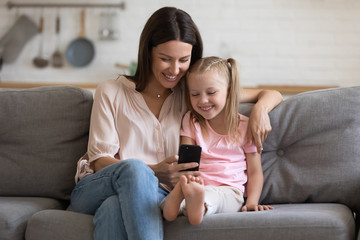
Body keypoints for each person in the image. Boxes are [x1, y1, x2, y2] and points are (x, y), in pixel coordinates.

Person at [70, 7, 283, 240]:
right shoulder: (112, 91)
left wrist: (260, 110)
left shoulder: (194, 95)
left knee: (112, 207)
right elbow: (100, 162)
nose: (174, 70)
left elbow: (269, 93)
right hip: (96, 187)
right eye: (165, 59)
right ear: (148, 52)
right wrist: (155, 171)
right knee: (135, 168)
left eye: (183, 60)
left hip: (153, 195)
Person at [161, 57, 274, 226]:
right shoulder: (191, 120)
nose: (202, 100)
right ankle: (181, 198)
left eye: (211, 92)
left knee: (211, 197)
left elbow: (255, 172)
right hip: (196, 185)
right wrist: (186, 182)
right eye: (195, 94)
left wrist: (252, 201)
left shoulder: (245, 126)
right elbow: (187, 163)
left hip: (229, 191)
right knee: (169, 204)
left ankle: (196, 207)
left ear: (229, 91)